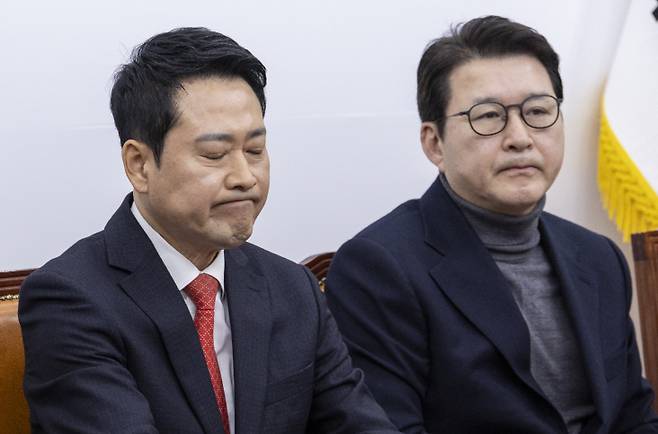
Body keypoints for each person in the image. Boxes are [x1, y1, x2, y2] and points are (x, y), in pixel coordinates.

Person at [18, 27, 399, 434]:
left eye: (255, 150)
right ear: (139, 165)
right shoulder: (71, 300)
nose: (245, 177)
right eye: (214, 154)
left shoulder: (293, 289)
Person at [325, 15, 658, 433]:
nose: (520, 137)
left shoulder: (598, 256)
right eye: (488, 116)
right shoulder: (378, 268)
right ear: (434, 143)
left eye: (538, 111)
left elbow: (633, 417)